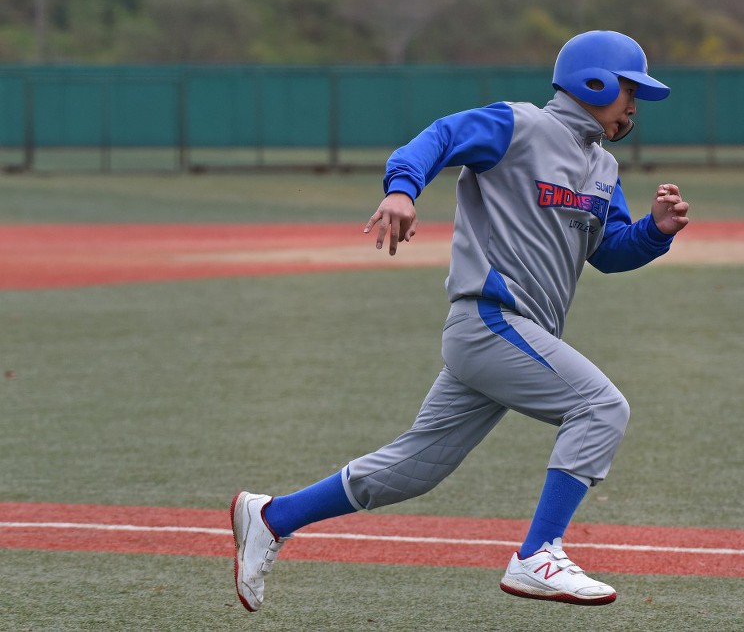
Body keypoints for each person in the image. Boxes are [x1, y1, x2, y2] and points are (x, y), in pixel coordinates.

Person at [231, 30, 690, 611]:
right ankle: (538, 553)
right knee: (601, 408)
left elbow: (609, 252)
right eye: (630, 90)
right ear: (594, 82)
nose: (634, 105)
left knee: (412, 470)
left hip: (516, 336)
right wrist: (402, 190)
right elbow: (441, 136)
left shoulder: (603, 166)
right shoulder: (519, 125)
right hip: (489, 320)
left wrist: (654, 231)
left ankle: (272, 517)